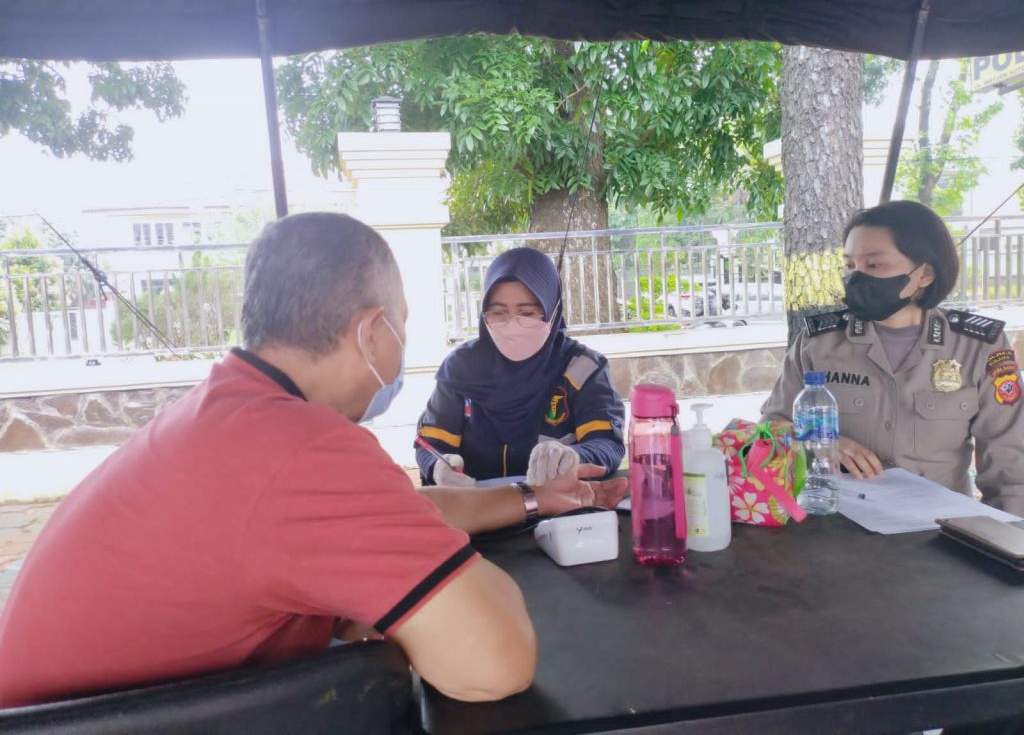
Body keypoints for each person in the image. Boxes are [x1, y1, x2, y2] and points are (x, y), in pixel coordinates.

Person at [0, 213, 626, 709]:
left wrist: (532, 498)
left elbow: (398, 511)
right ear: (371, 332)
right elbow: (497, 662)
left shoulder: (230, 410)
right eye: (402, 326)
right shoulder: (300, 448)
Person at [762, 200, 1024, 514]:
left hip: (940, 528)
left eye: (874, 266)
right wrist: (821, 442)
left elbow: (1010, 465)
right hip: (839, 524)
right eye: (850, 266)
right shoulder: (819, 343)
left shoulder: (977, 347)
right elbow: (770, 428)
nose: (856, 278)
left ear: (924, 273)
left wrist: (1006, 537)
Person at [415, 246, 625, 488]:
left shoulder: (583, 368)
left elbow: (607, 444)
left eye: (527, 313)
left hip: (555, 505)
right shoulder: (460, 368)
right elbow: (430, 443)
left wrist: (573, 457)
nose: (512, 324)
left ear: (552, 311)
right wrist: (438, 467)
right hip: (476, 506)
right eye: (498, 313)